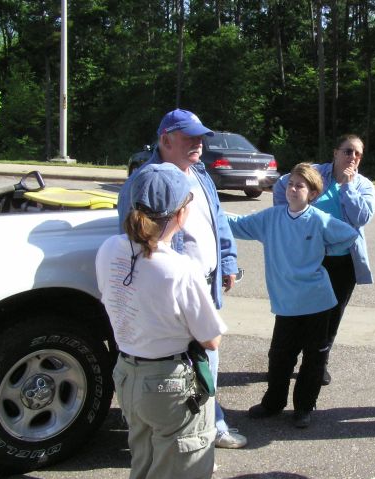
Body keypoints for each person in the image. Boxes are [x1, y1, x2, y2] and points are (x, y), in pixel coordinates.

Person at [117, 109, 246, 450]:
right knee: (180, 365)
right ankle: (178, 434)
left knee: (205, 364)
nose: (199, 145)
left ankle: (207, 426)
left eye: (201, 137)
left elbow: (218, 221)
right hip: (170, 288)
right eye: (190, 138)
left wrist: (228, 262)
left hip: (203, 282)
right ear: (165, 140)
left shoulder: (200, 174)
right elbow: (134, 240)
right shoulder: (142, 182)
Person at [97, 163, 227, 479]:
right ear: (180, 215)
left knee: (144, 462)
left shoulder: (109, 248)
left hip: (127, 374)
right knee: (181, 469)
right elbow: (211, 338)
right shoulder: (178, 269)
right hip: (169, 383)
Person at [230, 162, 358, 428]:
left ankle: (304, 408)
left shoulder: (319, 219)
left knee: (314, 358)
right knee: (279, 356)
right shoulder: (271, 218)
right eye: (290, 184)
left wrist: (324, 250)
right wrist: (208, 212)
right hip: (286, 303)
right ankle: (273, 403)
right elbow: (237, 224)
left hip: (317, 301)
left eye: (300, 185)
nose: (292, 189)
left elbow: (349, 235)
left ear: (312, 193)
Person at [273, 134, 375, 386]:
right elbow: (282, 184)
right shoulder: (315, 174)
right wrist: (284, 216)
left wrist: (347, 188)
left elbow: (361, 218)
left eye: (358, 154)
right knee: (295, 313)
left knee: (330, 317)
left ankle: (319, 364)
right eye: (348, 151)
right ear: (335, 152)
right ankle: (284, 364)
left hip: (342, 264)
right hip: (308, 259)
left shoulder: (362, 186)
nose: (353, 157)